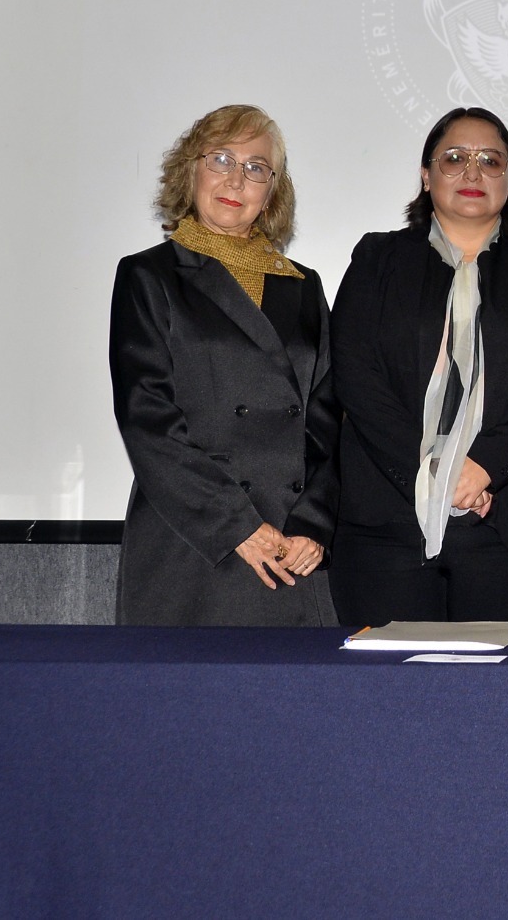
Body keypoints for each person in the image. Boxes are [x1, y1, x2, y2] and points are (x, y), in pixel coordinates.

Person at [331, 106, 508, 628]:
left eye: (491, 161)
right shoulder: (376, 260)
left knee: (506, 705)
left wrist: (483, 465)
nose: (473, 173)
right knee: (393, 700)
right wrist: (432, 470)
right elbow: (356, 376)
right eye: (454, 158)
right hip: (387, 525)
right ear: (426, 177)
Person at [109, 104, 337, 625]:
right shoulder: (149, 276)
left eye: (257, 167)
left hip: (290, 550)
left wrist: (314, 523)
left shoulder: (304, 285)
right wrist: (236, 525)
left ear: (272, 190)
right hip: (195, 539)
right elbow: (147, 419)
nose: (237, 177)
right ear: (190, 170)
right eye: (221, 159)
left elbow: (328, 420)